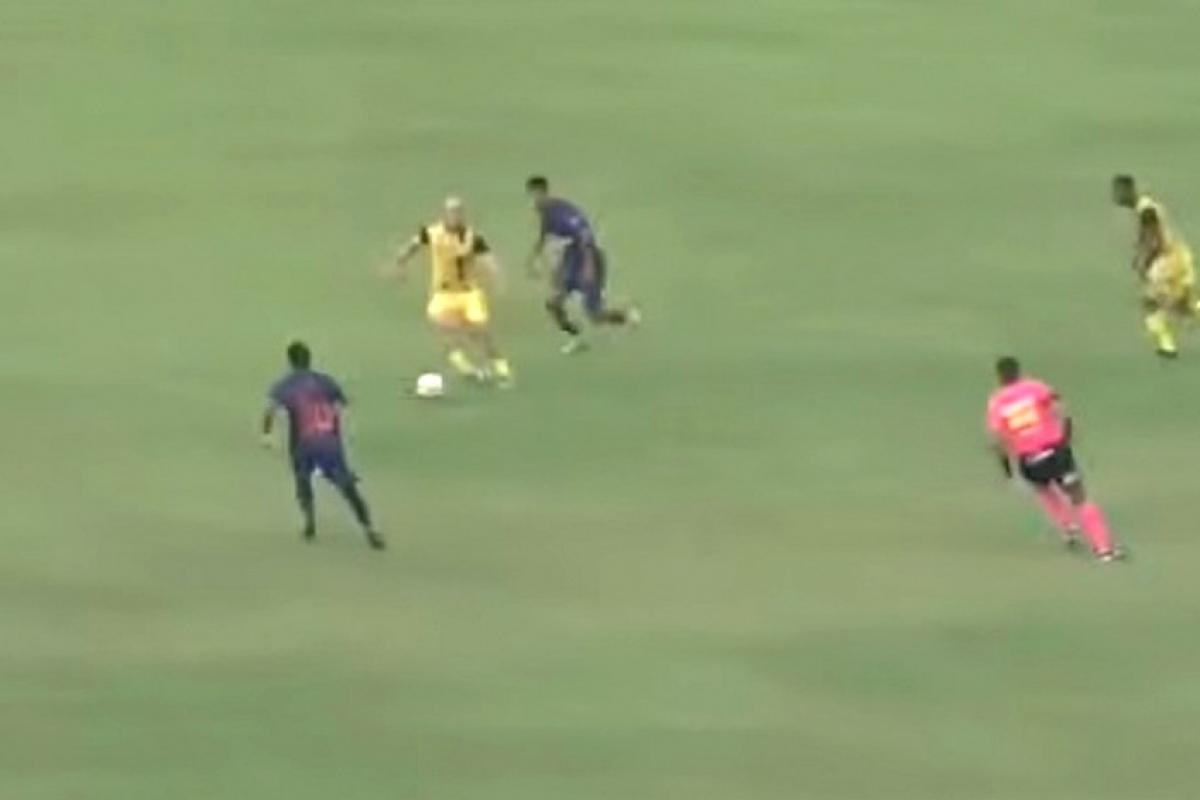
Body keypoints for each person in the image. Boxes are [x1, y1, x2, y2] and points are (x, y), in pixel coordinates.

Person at [986, 356, 1122, 562]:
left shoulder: (997, 403)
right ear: (1018, 371)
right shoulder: (1035, 388)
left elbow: (999, 440)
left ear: (999, 377)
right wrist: (1066, 435)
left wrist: (1007, 471)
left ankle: (1068, 528)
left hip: (1029, 460)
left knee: (1044, 490)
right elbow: (1061, 409)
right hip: (1056, 452)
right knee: (1079, 497)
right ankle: (1104, 548)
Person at [261, 341, 384, 550]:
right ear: (309, 360)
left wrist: (266, 434)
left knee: (303, 480)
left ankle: (309, 521)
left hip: (303, 443)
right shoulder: (325, 381)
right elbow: (343, 404)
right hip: (329, 442)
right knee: (348, 489)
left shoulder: (285, 384)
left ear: (290, 361)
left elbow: (270, 409)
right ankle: (369, 529)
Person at [387, 197, 514, 386]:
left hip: (469, 293)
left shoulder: (472, 237)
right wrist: (399, 263)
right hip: (443, 293)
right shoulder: (431, 233)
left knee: (479, 332)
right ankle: (465, 367)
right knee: (447, 329)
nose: (455, 216)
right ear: (444, 214)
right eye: (451, 212)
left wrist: (497, 278)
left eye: (458, 213)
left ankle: (500, 366)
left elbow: (488, 260)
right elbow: (412, 246)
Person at [525, 176, 640, 354]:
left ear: (544, 193)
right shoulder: (545, 212)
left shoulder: (564, 214)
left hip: (589, 258)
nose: (534, 200)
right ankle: (576, 338)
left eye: (537, 195)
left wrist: (588, 268)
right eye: (531, 196)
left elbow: (586, 238)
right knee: (553, 303)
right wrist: (534, 258)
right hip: (571, 258)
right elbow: (544, 234)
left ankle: (626, 316)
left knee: (594, 315)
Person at [1112, 174, 1199, 358]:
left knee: (1151, 303)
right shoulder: (1145, 208)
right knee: (1185, 306)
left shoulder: (1146, 211)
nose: (1116, 196)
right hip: (1177, 255)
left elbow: (1154, 240)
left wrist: (1145, 261)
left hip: (1167, 261)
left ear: (1129, 190)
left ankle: (1167, 346)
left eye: (1119, 191)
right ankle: (1166, 344)